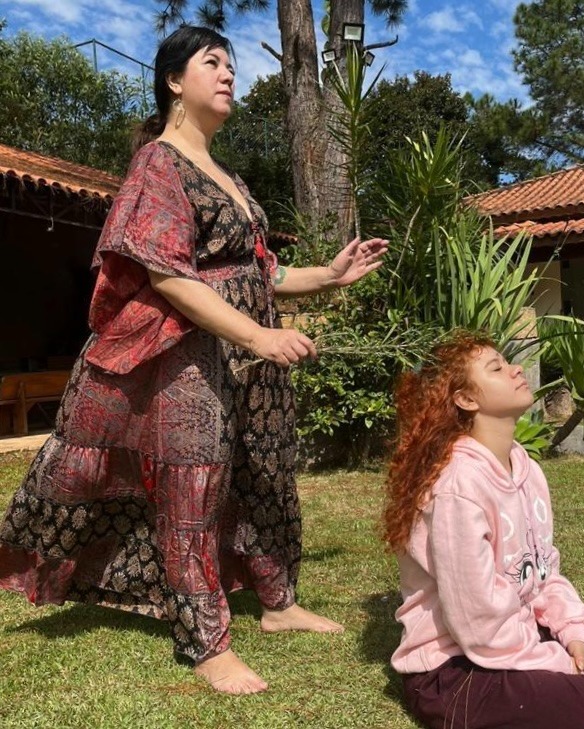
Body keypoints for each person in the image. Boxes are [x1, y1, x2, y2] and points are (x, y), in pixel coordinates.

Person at [0, 25, 387, 695]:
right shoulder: (159, 163)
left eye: (230, 63)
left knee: (265, 472)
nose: (229, 73)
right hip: (188, 357)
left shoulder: (228, 177)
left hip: (247, 360)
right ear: (174, 81)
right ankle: (205, 641)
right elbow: (166, 275)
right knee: (192, 489)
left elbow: (261, 271)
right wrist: (258, 337)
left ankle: (278, 601)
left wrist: (328, 275)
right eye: (213, 62)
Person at [383, 330, 584, 729]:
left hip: (523, 640)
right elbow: (475, 623)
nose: (516, 369)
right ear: (466, 399)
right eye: (496, 368)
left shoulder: (525, 469)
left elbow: (543, 571)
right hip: (456, 673)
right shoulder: (457, 485)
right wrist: (558, 663)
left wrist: (573, 634)